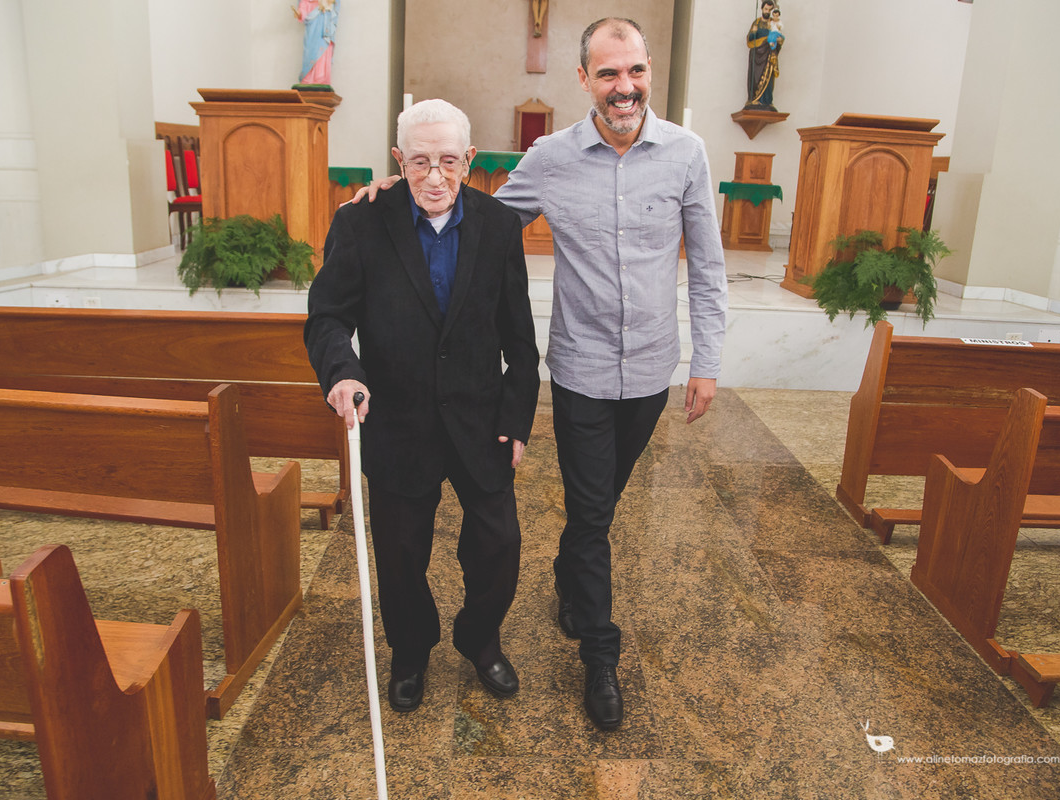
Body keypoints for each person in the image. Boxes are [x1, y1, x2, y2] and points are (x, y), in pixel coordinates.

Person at [351, 17, 728, 731]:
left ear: (649, 71)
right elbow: (477, 218)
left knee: (600, 505)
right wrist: (408, 186)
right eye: (608, 73)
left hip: (652, 368)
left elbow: (708, 265)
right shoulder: (551, 158)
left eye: (635, 71)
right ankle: (600, 654)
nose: (624, 86)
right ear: (584, 79)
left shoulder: (687, 153)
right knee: (592, 516)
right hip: (581, 368)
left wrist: (705, 362)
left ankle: (569, 575)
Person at [304, 99, 540, 713]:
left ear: (469, 159)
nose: (435, 177)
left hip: (480, 419)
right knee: (401, 555)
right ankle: (410, 652)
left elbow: (519, 337)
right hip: (398, 419)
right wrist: (342, 373)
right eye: (419, 162)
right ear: (397, 160)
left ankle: (480, 639)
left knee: (499, 546)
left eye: (448, 161)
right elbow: (327, 316)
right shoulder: (361, 222)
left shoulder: (497, 225)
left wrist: (516, 418)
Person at [746, 1, 783, 110]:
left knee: (769, 79)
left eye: (770, 10)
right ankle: (754, 99)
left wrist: (779, 41)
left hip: (769, 55)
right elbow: (750, 40)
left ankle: (767, 101)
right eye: (766, 9)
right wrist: (753, 32)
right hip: (757, 56)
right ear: (762, 9)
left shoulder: (773, 24)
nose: (767, 12)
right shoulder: (757, 23)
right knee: (755, 78)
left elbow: (778, 39)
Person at [293, 0, 339, 86]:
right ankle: (308, 77)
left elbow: (334, 4)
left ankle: (321, 78)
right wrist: (300, 13)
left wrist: (327, 3)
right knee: (310, 50)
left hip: (325, 22)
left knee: (324, 49)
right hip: (312, 24)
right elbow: (304, 4)